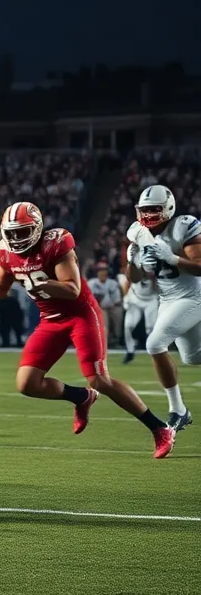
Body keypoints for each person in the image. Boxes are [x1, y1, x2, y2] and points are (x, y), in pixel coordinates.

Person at [0, 201, 173, 457]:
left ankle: (160, 428)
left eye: (23, 232)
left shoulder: (57, 242)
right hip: (50, 319)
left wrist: (42, 281)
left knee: (100, 380)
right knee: (26, 384)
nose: (17, 238)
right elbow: (1, 286)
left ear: (38, 229)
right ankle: (81, 397)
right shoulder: (4, 252)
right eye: (12, 232)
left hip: (81, 315)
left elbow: (72, 288)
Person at [124, 185, 195, 432]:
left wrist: (173, 258)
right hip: (167, 299)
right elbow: (133, 278)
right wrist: (132, 261)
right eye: (144, 210)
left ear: (168, 208)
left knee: (155, 343)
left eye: (154, 209)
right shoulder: (137, 232)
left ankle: (179, 411)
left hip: (194, 295)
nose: (149, 215)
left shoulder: (184, 225)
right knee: (193, 357)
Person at [119, 248, 158, 364]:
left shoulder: (156, 260)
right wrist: (125, 297)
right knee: (128, 326)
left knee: (151, 327)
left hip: (151, 299)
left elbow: (158, 284)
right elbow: (128, 280)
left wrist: (153, 277)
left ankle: (155, 352)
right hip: (135, 298)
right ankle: (130, 351)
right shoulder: (135, 259)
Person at [87, 263, 123, 347]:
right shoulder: (91, 283)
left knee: (118, 312)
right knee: (103, 318)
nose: (103, 273)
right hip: (97, 308)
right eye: (101, 271)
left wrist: (109, 304)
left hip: (112, 306)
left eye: (104, 270)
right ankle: (103, 342)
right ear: (97, 272)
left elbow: (117, 300)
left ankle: (117, 339)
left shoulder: (112, 283)